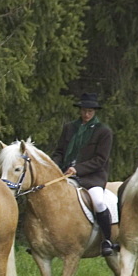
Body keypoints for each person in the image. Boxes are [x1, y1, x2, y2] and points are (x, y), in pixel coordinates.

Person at [52, 92, 116, 256]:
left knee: (98, 202)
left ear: (94, 112)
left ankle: (106, 240)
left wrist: (78, 169)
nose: (86, 114)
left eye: (90, 111)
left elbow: (100, 160)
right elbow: (59, 151)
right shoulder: (69, 128)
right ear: (80, 110)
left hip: (92, 177)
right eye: (84, 111)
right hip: (65, 174)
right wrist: (53, 166)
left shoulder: (104, 131)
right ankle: (47, 240)